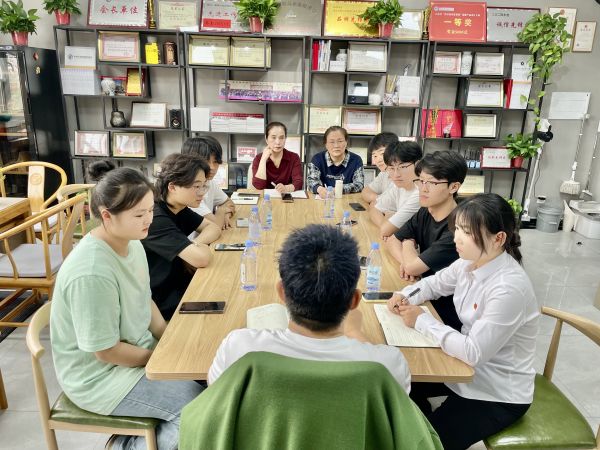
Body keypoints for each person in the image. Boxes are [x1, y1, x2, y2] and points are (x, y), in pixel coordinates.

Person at [50, 161, 202, 450]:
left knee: (208, 374)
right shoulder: (92, 271)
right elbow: (106, 351)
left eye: (150, 210)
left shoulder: (132, 243)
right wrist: (159, 359)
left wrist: (169, 339)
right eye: (139, 214)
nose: (149, 220)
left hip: (134, 352)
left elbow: (145, 299)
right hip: (99, 376)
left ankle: (139, 435)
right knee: (197, 410)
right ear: (107, 216)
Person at [387, 193, 539, 450]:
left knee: (423, 443)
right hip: (461, 370)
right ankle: (423, 418)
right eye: (456, 228)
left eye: (466, 232)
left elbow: (473, 352)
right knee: (393, 385)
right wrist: (406, 295)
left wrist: (422, 321)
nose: (456, 238)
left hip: (495, 391)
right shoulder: (469, 262)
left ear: (498, 238)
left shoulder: (508, 288)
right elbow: (434, 284)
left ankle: (426, 425)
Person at [208, 224, 411, 391]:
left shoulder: (239, 348)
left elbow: (216, 394)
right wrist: (354, 333)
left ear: (281, 293)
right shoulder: (388, 365)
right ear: (355, 301)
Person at [384, 150, 467, 331]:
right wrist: (406, 262)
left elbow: (411, 265)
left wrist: (407, 243)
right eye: (421, 181)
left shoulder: (459, 228)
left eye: (432, 183)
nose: (423, 188)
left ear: (453, 187)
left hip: (445, 315)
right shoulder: (426, 211)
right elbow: (391, 240)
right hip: (422, 294)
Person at [142, 153, 221, 320]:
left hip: (181, 284)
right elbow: (201, 259)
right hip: (162, 300)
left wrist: (195, 243)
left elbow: (213, 228)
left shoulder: (179, 208)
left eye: (204, 186)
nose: (202, 193)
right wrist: (195, 250)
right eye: (196, 186)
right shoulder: (156, 217)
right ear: (172, 187)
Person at [369, 141, 421, 238]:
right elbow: (374, 209)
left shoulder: (420, 193)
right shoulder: (398, 186)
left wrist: (387, 223)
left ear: (417, 165)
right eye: (391, 168)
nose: (396, 175)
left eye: (402, 167)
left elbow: (386, 230)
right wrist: (385, 225)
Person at [181, 136, 236, 230]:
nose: (212, 167)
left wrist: (226, 214)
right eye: (206, 161)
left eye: (215, 161)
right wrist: (221, 212)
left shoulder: (209, 182)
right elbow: (215, 226)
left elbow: (229, 202)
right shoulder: (188, 190)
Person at [306, 126, 364, 197]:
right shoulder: (317, 159)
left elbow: (359, 185)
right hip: (324, 200)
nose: (336, 145)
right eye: (332, 142)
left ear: (346, 142)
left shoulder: (356, 160)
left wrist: (337, 189)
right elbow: (311, 182)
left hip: (347, 199)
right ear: (326, 144)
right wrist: (320, 189)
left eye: (340, 141)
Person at [251, 121, 303, 193]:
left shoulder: (294, 157)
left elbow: (299, 183)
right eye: (273, 137)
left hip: (286, 197)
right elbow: (259, 186)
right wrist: (263, 159)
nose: (278, 142)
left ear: (285, 138)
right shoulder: (258, 158)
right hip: (266, 198)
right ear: (266, 139)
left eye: (281, 138)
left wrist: (286, 188)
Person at [361, 132, 398, 204]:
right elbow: (365, 192)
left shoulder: (401, 176)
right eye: (375, 156)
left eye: (382, 154)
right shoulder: (384, 173)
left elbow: (391, 203)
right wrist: (380, 199)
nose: (378, 160)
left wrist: (376, 202)